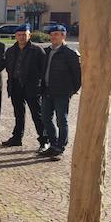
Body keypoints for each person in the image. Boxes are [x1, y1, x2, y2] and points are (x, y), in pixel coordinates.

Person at [3, 24, 48, 151]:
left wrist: (40, 86)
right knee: (18, 114)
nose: (22, 37)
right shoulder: (11, 51)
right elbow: (8, 67)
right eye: (19, 35)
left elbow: (43, 70)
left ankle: (44, 140)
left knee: (37, 115)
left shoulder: (37, 50)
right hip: (16, 85)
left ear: (29, 35)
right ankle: (17, 138)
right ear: (16, 36)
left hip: (32, 87)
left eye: (24, 34)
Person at [40, 24, 81, 160]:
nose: (53, 37)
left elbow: (77, 76)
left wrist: (71, 91)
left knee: (61, 120)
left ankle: (60, 147)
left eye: (56, 34)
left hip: (61, 93)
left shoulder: (70, 53)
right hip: (47, 91)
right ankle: (53, 144)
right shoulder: (46, 51)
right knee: (45, 119)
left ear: (63, 35)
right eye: (51, 35)